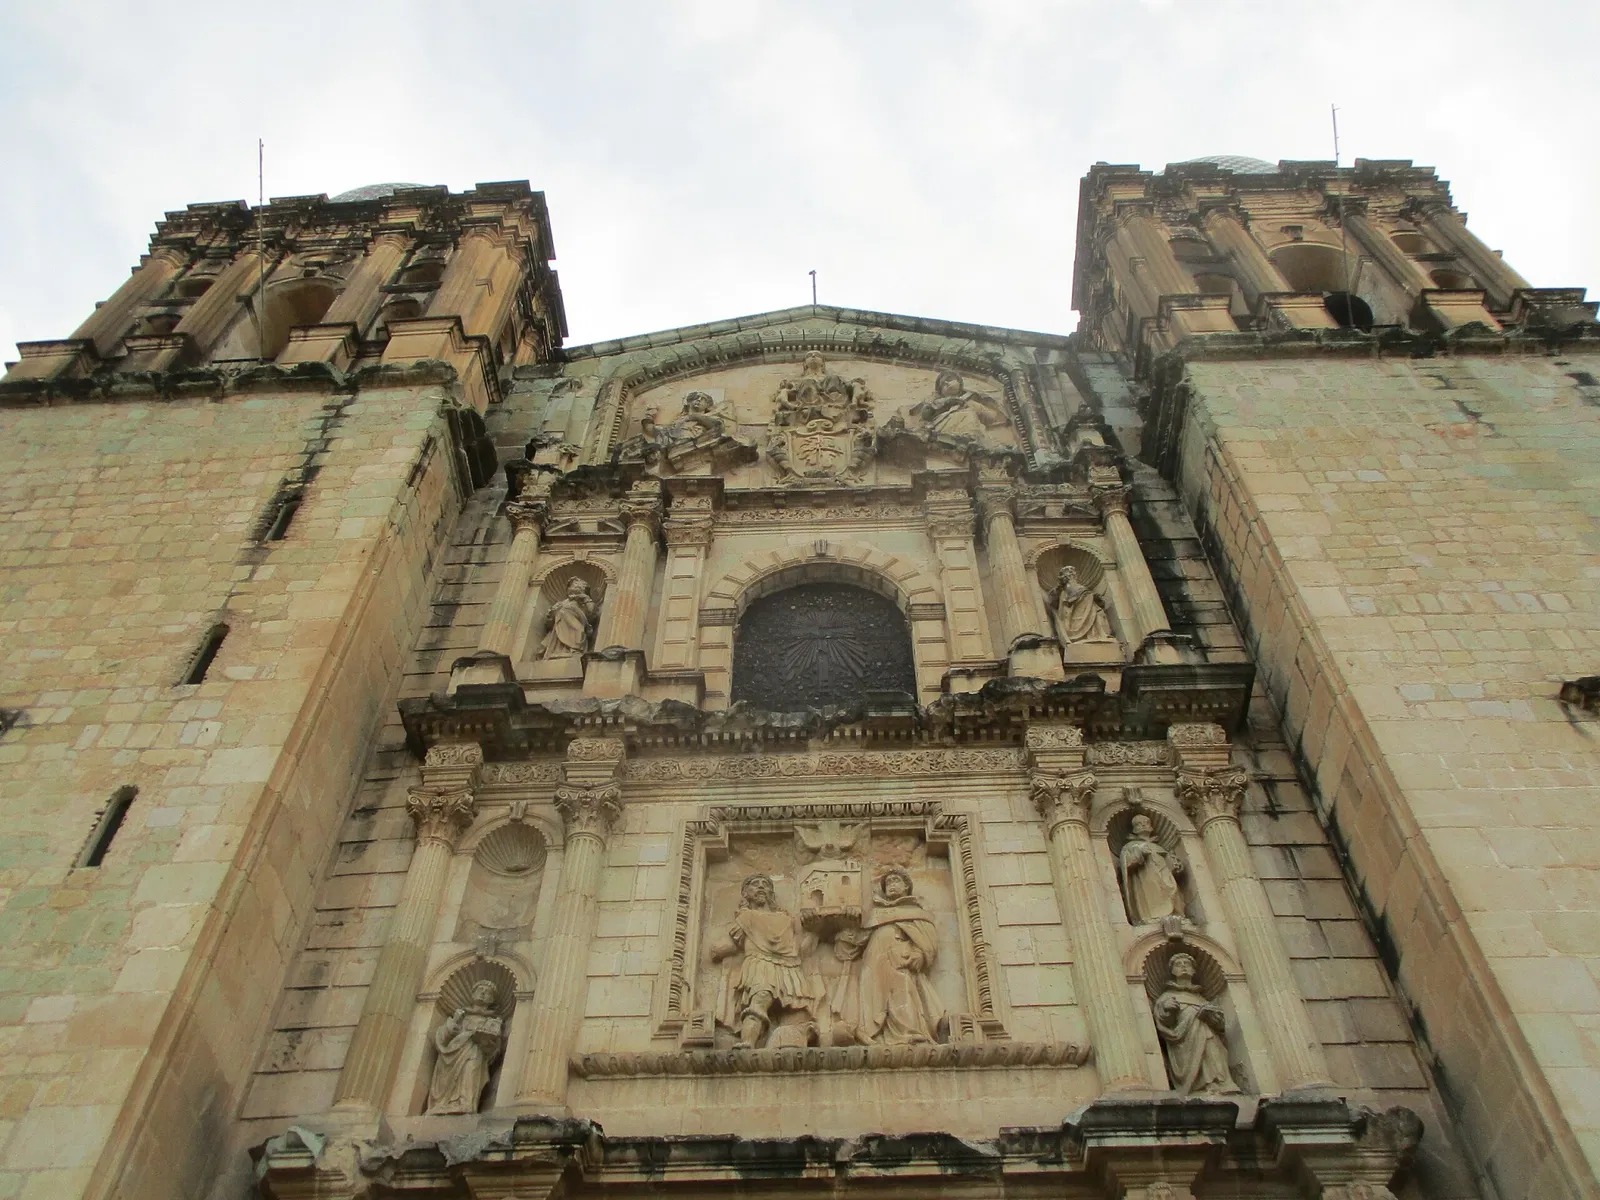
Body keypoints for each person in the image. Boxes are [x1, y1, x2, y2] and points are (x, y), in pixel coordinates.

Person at [709, 874, 823, 1049]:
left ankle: (793, 1043)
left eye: (765, 884)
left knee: (799, 1013)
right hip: (760, 964)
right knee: (760, 1000)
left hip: (789, 967)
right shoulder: (746, 918)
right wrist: (718, 951)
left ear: (771, 893)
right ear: (745, 893)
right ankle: (748, 1042)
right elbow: (730, 945)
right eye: (755, 884)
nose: (761, 887)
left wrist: (815, 930)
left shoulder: (786, 919)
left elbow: (800, 950)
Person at [851, 868, 945, 1045]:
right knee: (872, 997)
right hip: (874, 964)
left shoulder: (915, 912)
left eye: (896, 881)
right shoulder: (876, 913)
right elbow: (858, 940)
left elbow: (927, 940)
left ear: (907, 886)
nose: (892, 885)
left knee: (902, 993)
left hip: (899, 962)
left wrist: (920, 954)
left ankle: (909, 1032)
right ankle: (873, 1034)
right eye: (888, 882)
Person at [1153, 953, 1235, 1096]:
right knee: (1200, 1056)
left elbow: (1220, 1026)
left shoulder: (1200, 998)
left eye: (1187, 964)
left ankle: (1218, 1083)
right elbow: (1164, 1022)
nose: (1184, 966)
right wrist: (1167, 1009)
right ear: (1172, 971)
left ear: (1194, 970)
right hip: (1185, 1040)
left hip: (1208, 1035)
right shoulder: (1167, 996)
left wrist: (1213, 1016)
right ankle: (1199, 1086)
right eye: (1179, 964)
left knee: (1213, 1052)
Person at [425, 979, 503, 1114]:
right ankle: (443, 1103)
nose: (483, 993)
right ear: (472, 994)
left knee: (470, 1071)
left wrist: (487, 1039)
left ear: (492, 1000)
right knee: (448, 1079)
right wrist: (455, 1022)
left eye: (487, 992)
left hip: (474, 1053)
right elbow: (441, 1039)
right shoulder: (460, 1015)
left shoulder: (491, 1021)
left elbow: (494, 1051)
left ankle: (465, 1103)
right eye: (480, 990)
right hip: (452, 1055)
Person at [1119, 813, 1186, 924]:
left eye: (1147, 822)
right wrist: (1139, 854)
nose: (1144, 825)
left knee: (1172, 891)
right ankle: (1153, 916)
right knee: (1152, 894)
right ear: (1135, 828)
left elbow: (1170, 864)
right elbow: (1126, 865)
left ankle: (1176, 914)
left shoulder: (1158, 847)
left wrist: (1175, 866)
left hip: (1165, 875)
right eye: (1140, 824)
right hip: (1147, 877)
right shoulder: (1131, 846)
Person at [911, 370, 1009, 440]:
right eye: (943, 384)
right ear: (940, 390)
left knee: (970, 413)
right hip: (944, 427)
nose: (947, 383)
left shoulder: (969, 401)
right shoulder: (935, 401)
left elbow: (993, 417)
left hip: (972, 432)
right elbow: (926, 414)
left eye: (949, 379)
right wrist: (947, 401)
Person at [1051, 564, 1115, 645]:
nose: (1073, 576)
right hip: (1076, 614)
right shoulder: (1064, 590)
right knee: (1097, 613)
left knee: (1099, 613)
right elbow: (1068, 599)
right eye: (1071, 574)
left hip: (1086, 608)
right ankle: (1093, 635)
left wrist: (1093, 597)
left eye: (1073, 573)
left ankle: (1097, 635)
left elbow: (1082, 593)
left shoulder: (1073, 588)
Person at [537, 577, 599, 660]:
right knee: (562, 612)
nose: (575, 586)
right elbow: (548, 622)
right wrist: (553, 612)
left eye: (579, 585)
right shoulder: (562, 602)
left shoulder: (585, 600)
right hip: (560, 624)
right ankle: (559, 650)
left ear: (584, 589)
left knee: (567, 615)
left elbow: (592, 614)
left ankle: (574, 648)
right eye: (573, 585)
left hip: (577, 621)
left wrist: (585, 599)